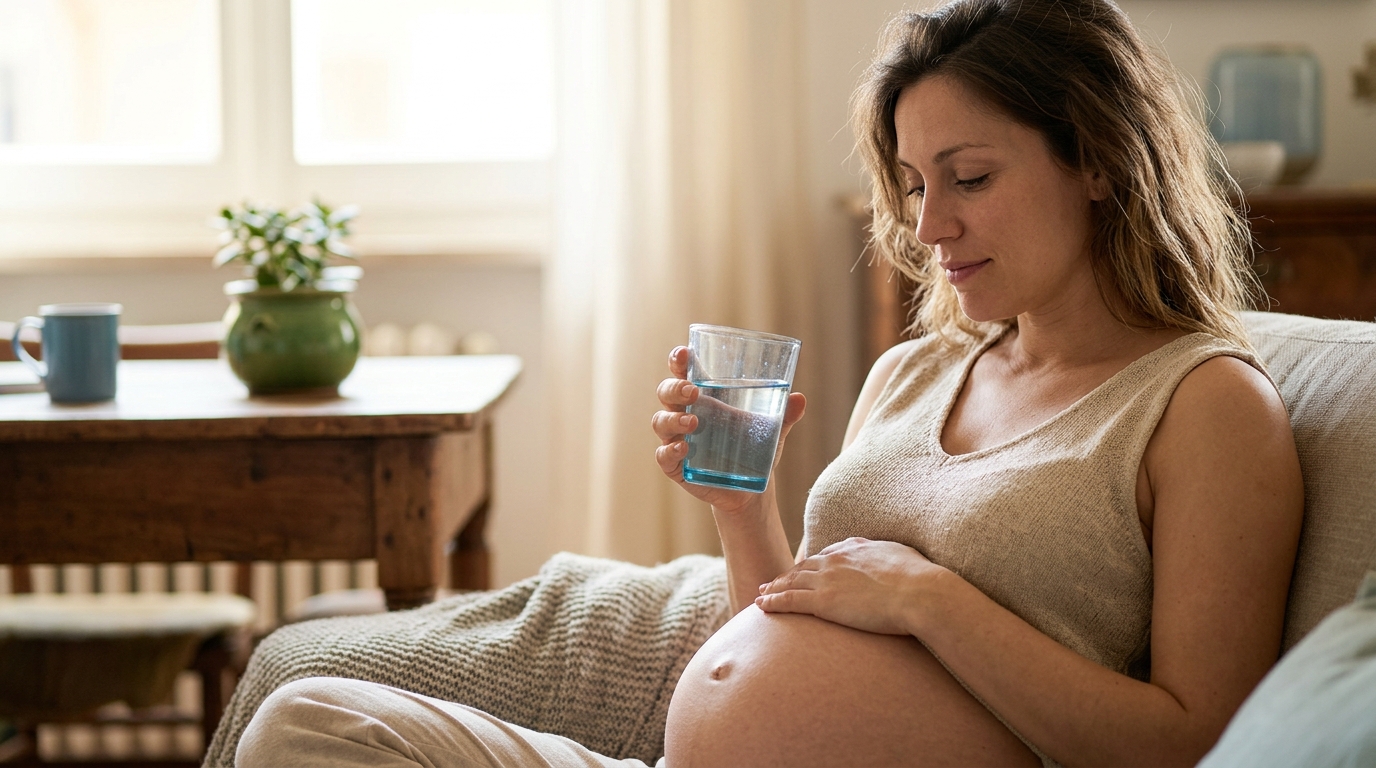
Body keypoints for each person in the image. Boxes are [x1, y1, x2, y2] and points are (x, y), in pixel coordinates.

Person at [232, 0, 1302, 765]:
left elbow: (1194, 741)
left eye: (969, 178)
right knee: (313, 716)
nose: (927, 229)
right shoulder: (917, 370)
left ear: (1098, 160)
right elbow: (777, 626)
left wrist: (932, 605)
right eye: (915, 184)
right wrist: (744, 515)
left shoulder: (1200, 407)